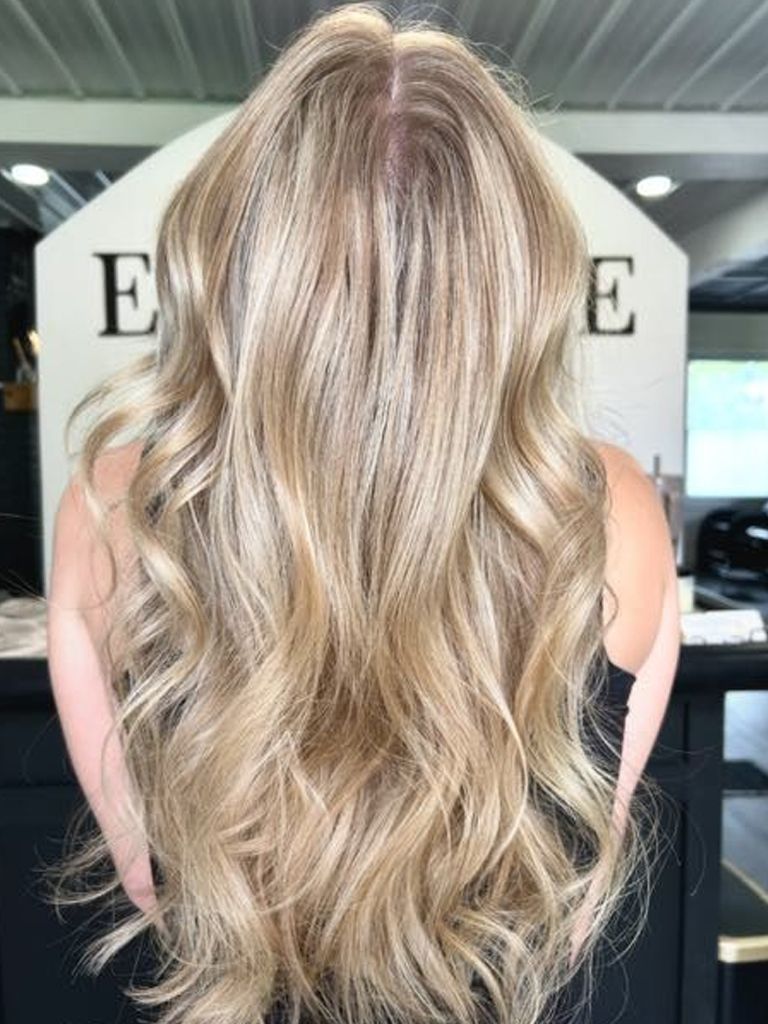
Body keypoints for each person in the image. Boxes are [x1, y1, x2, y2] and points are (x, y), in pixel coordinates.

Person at [43, 3, 681, 1023]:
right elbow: (563, 907)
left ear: (235, 262)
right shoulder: (613, 512)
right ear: (521, 280)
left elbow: (152, 887)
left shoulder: (110, 506)